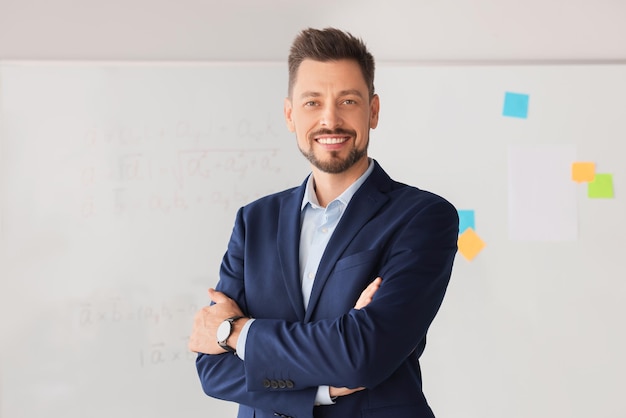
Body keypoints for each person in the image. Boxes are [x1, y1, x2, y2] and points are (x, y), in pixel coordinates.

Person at [188, 27, 459, 418]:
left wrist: (233, 332)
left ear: (374, 110)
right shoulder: (254, 221)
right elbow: (212, 370)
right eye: (312, 103)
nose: (330, 120)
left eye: (348, 100)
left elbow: (363, 353)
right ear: (289, 115)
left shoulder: (423, 217)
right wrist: (325, 389)